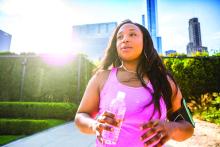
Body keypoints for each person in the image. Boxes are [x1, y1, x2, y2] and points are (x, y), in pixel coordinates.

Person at [74, 20, 194, 147]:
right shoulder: (101, 78)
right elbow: (81, 116)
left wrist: (172, 128)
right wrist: (94, 125)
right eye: (120, 37)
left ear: (145, 42)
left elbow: (188, 127)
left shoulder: (165, 82)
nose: (125, 39)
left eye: (132, 34)